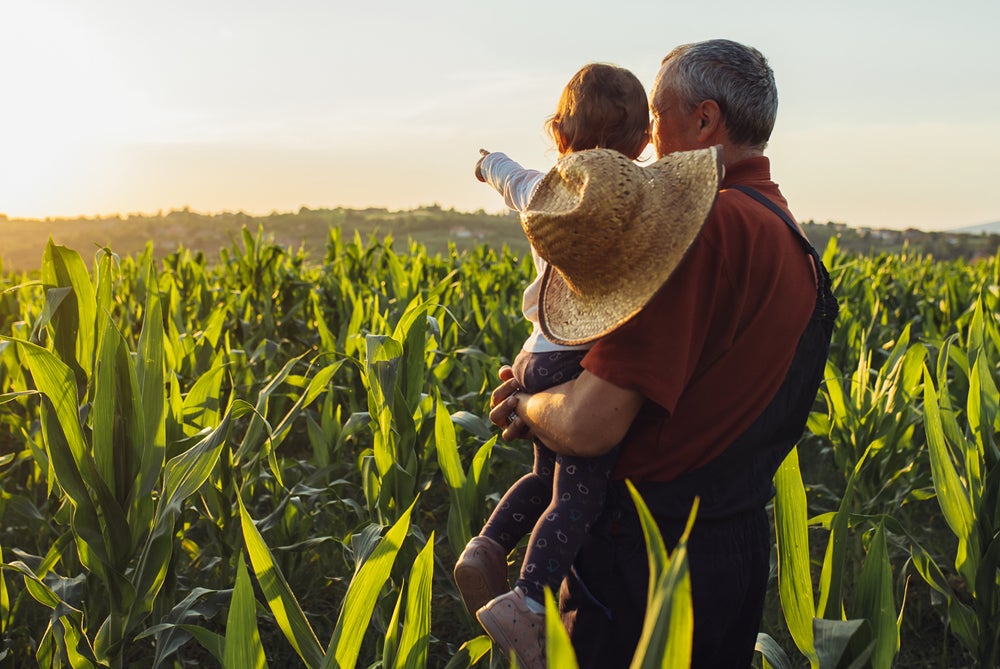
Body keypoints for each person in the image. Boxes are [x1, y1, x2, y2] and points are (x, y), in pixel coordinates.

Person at [488, 39, 838, 668]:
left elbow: (592, 423)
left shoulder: (701, 232)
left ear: (704, 121)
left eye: (656, 114)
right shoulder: (793, 242)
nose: (646, 136)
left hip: (648, 557)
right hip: (732, 548)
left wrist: (526, 403)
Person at [452, 63, 651, 666]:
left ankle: (487, 546)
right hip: (575, 361)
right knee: (578, 495)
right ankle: (531, 602)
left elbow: (508, 175)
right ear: (644, 143)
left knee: (544, 479)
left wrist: (489, 162)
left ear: (559, 136)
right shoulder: (632, 208)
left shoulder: (542, 192)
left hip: (534, 354)